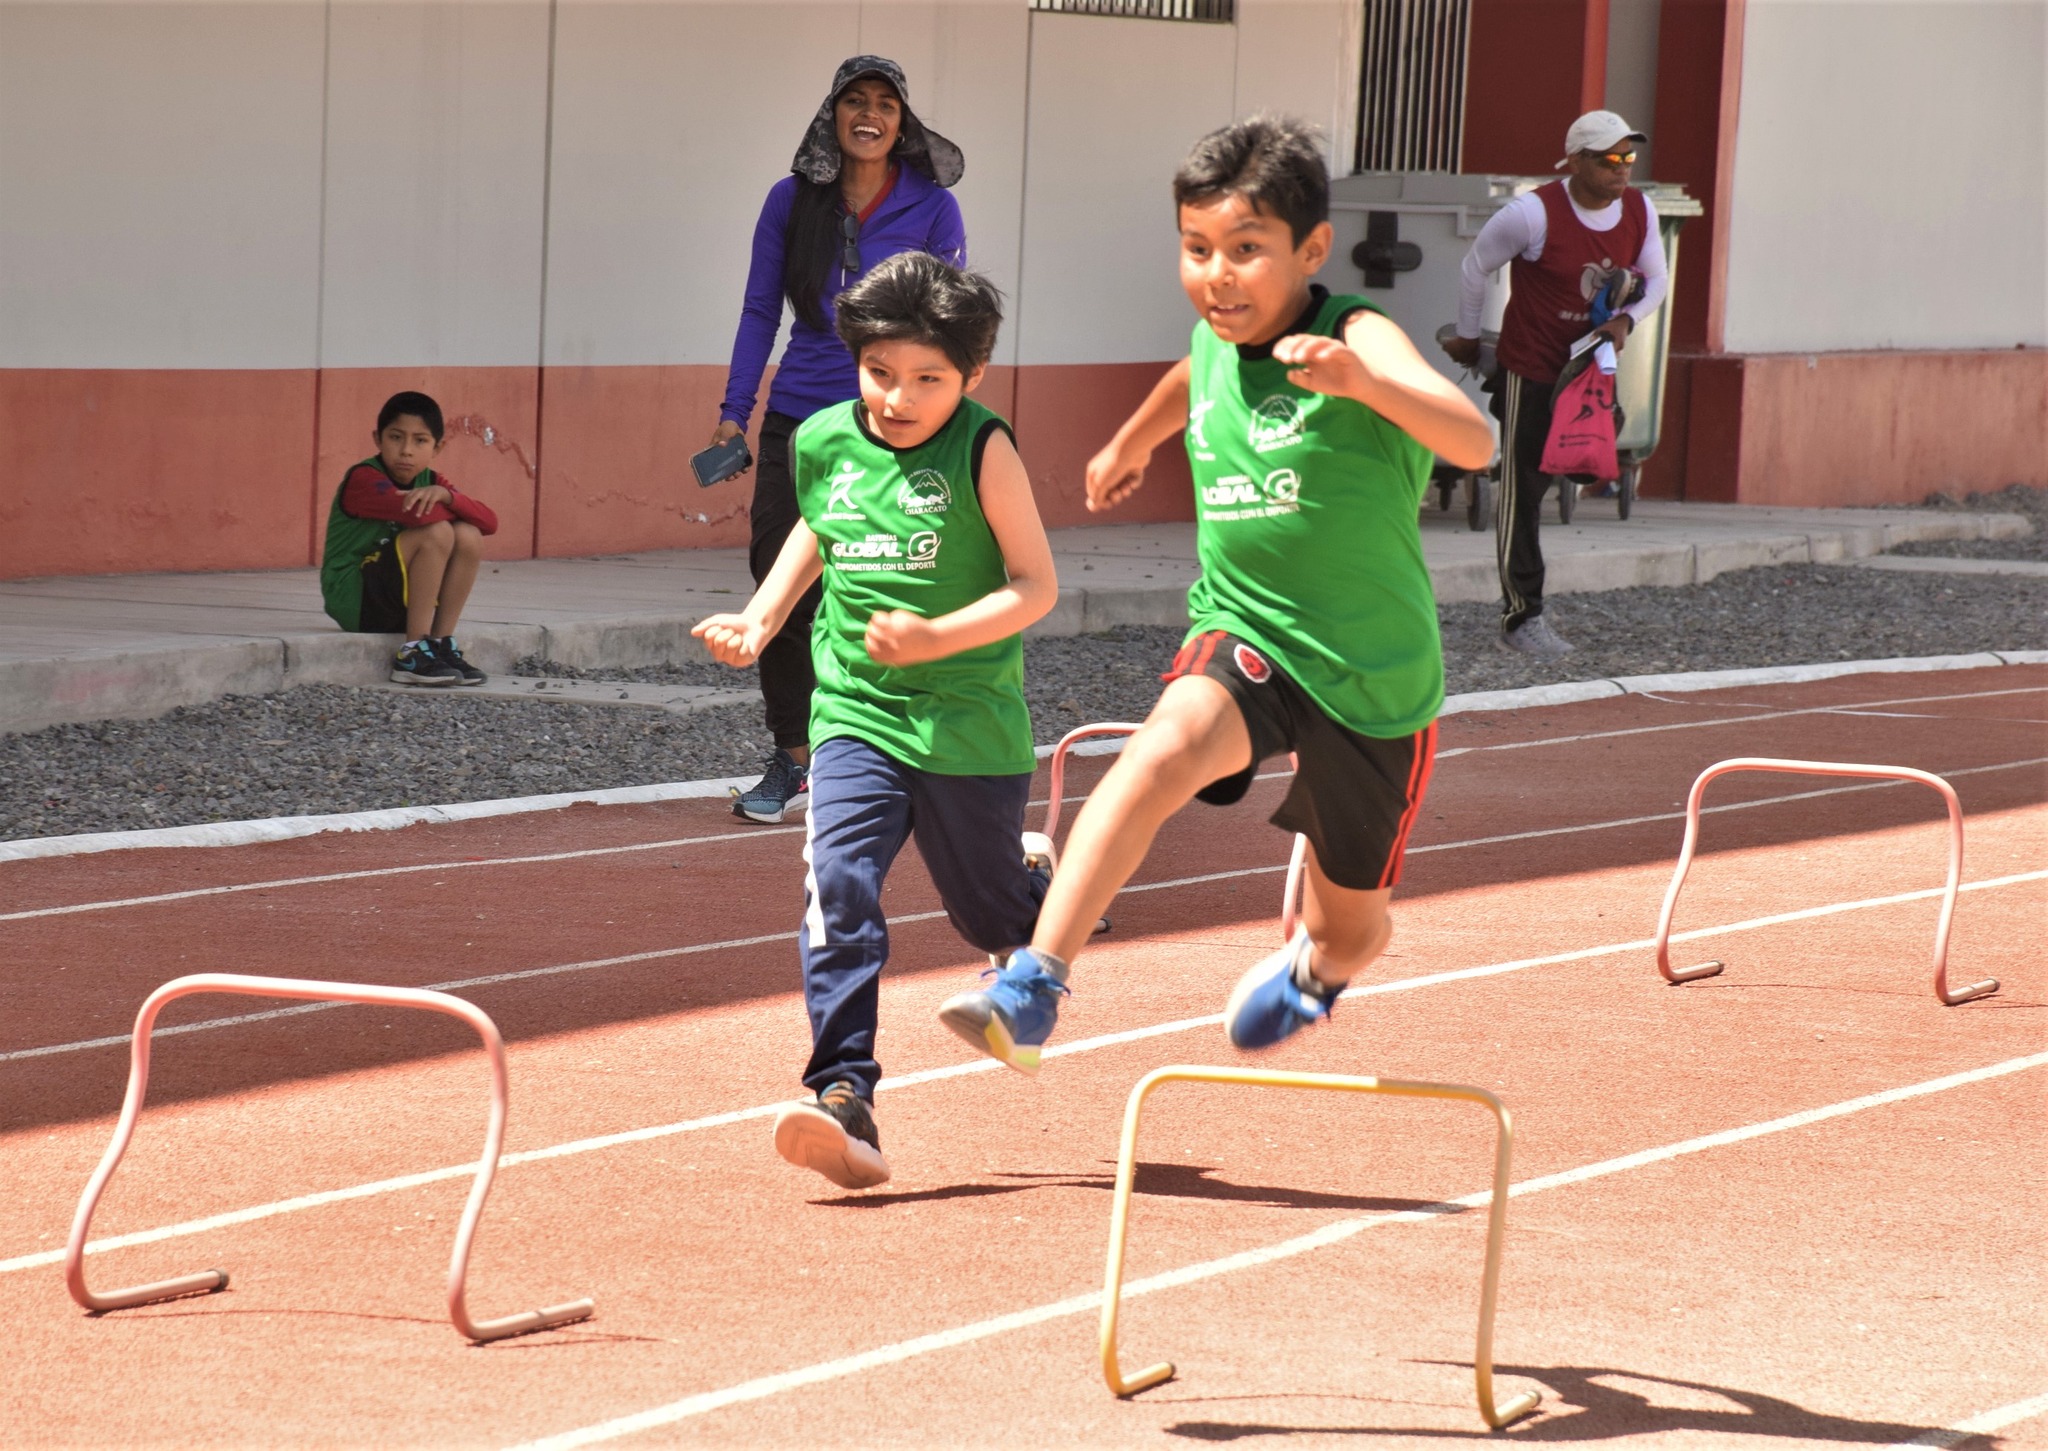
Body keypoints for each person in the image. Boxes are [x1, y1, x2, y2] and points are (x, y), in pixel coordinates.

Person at [935, 115, 1493, 1068]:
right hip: (1247, 631)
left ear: (1311, 249)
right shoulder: (1210, 342)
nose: (1216, 275)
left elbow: (1474, 440)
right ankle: (1034, 981)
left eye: (1246, 251)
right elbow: (1189, 376)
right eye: (1196, 250)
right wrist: (1130, 443)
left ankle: (1316, 973)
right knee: (1159, 752)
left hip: (1373, 678)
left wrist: (1366, 384)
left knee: (1350, 924)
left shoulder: (1355, 333)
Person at [692, 252, 1056, 1190]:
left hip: (969, 720)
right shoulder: (820, 439)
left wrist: (936, 635)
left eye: (928, 380)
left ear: (972, 376)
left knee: (988, 914)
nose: (899, 398)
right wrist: (763, 617)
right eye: (880, 373)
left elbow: (1034, 585)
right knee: (838, 885)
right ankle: (842, 1094)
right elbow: (818, 524)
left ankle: (1031, 888)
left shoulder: (984, 448)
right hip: (854, 708)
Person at [712, 56, 968, 824]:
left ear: (902, 122)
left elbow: (947, 322)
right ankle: (794, 756)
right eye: (854, 101)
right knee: (777, 585)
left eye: (884, 104)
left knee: (884, 581)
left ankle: (887, 750)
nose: (869, 114)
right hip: (800, 417)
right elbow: (762, 310)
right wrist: (735, 408)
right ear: (832, 116)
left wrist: (935, 416)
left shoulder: (932, 207)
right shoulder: (790, 202)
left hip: (893, 422)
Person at [1444, 109, 1668, 660]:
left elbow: (1657, 279)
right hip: (1534, 365)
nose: (1622, 170)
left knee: (1579, 465)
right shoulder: (1531, 214)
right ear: (1575, 161)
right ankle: (1523, 616)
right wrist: (1472, 342)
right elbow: (1476, 268)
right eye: (1610, 159)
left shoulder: (1639, 209)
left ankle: (1526, 601)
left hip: (1590, 369)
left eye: (1629, 158)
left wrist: (1627, 320)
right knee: (1523, 491)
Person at [319, 391, 499, 687]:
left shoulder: (432, 481)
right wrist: (454, 503)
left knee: (468, 534)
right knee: (437, 532)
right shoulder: (364, 478)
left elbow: (489, 522)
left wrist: (447, 495)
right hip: (354, 599)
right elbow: (420, 516)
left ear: (437, 447)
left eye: (420, 441)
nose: (406, 451)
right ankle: (412, 652)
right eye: (396, 437)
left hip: (395, 600)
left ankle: (440, 644)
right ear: (378, 439)